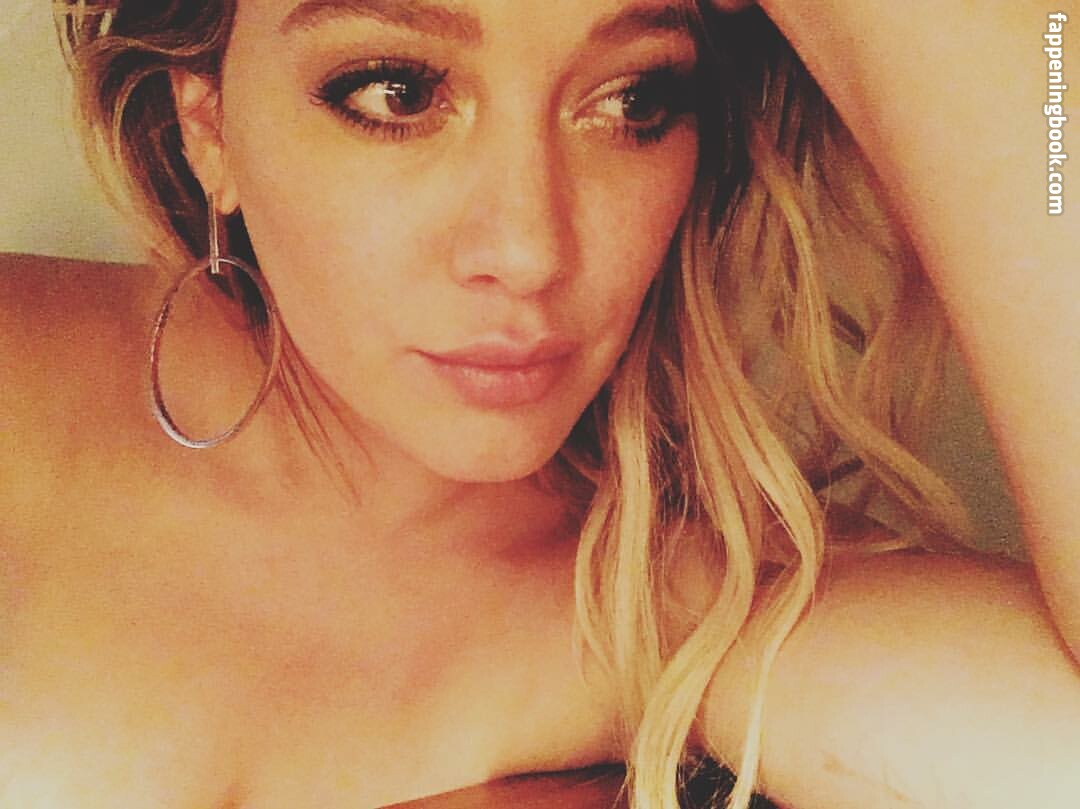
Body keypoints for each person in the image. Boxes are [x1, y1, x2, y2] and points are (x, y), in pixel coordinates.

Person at [2, 0, 1078, 807]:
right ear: (208, 124)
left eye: (632, 100)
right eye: (397, 92)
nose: (529, 250)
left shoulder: (687, 599)